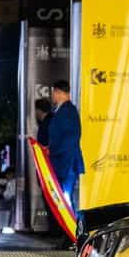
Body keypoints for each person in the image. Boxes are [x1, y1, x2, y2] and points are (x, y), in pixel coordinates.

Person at [45, 79, 84, 215]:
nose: (52, 97)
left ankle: (72, 232)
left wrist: (52, 150)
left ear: (59, 92)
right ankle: (68, 232)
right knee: (63, 200)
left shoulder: (68, 111)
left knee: (65, 200)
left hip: (66, 165)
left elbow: (70, 138)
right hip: (63, 163)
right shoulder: (63, 111)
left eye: (54, 93)